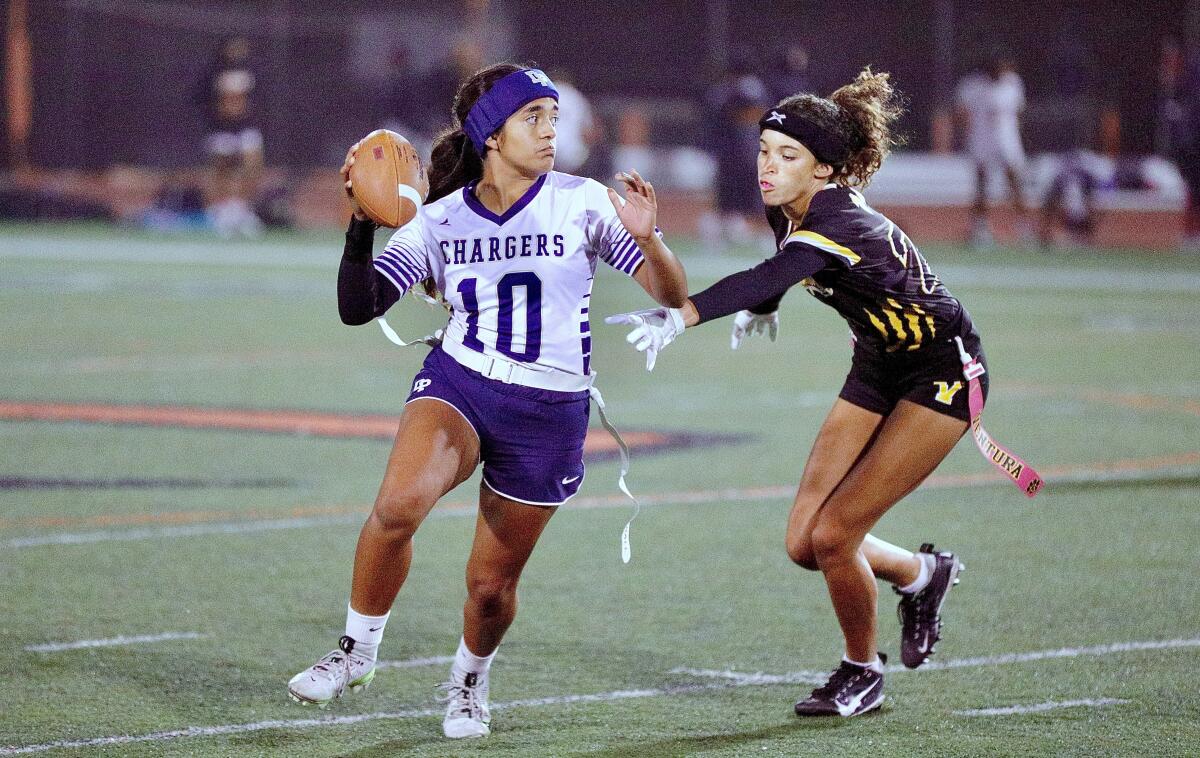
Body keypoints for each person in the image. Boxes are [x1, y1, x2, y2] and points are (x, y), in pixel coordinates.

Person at [286, 63, 687, 739]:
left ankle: (469, 681)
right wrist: (361, 222)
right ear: (490, 133)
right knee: (397, 506)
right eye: (533, 117)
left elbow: (672, 295)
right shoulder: (441, 220)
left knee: (489, 589)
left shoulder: (582, 201)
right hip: (462, 381)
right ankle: (356, 650)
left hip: (550, 410)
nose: (550, 131)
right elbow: (360, 306)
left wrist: (650, 237)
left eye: (553, 118)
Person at [608, 69, 992, 718]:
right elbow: (781, 268)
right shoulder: (788, 200)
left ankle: (861, 672)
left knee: (835, 536)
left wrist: (683, 314)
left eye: (788, 157)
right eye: (764, 150)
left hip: (941, 375)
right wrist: (766, 304)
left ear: (824, 171)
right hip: (877, 363)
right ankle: (924, 575)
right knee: (804, 543)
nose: (767, 166)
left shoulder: (840, 217)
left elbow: (772, 268)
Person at [955, 51, 1032, 248]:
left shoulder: (1013, 83)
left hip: (1008, 141)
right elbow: (962, 113)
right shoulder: (972, 85)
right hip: (982, 140)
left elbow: (1019, 112)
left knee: (1015, 183)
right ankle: (980, 228)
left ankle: (1023, 227)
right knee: (982, 185)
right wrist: (969, 136)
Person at [198, 35, 264, 237]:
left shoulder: (252, 71)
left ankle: (242, 210)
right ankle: (221, 211)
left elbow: (260, 99)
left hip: (246, 127)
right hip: (221, 128)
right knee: (222, 168)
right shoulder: (214, 71)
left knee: (252, 165)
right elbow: (202, 98)